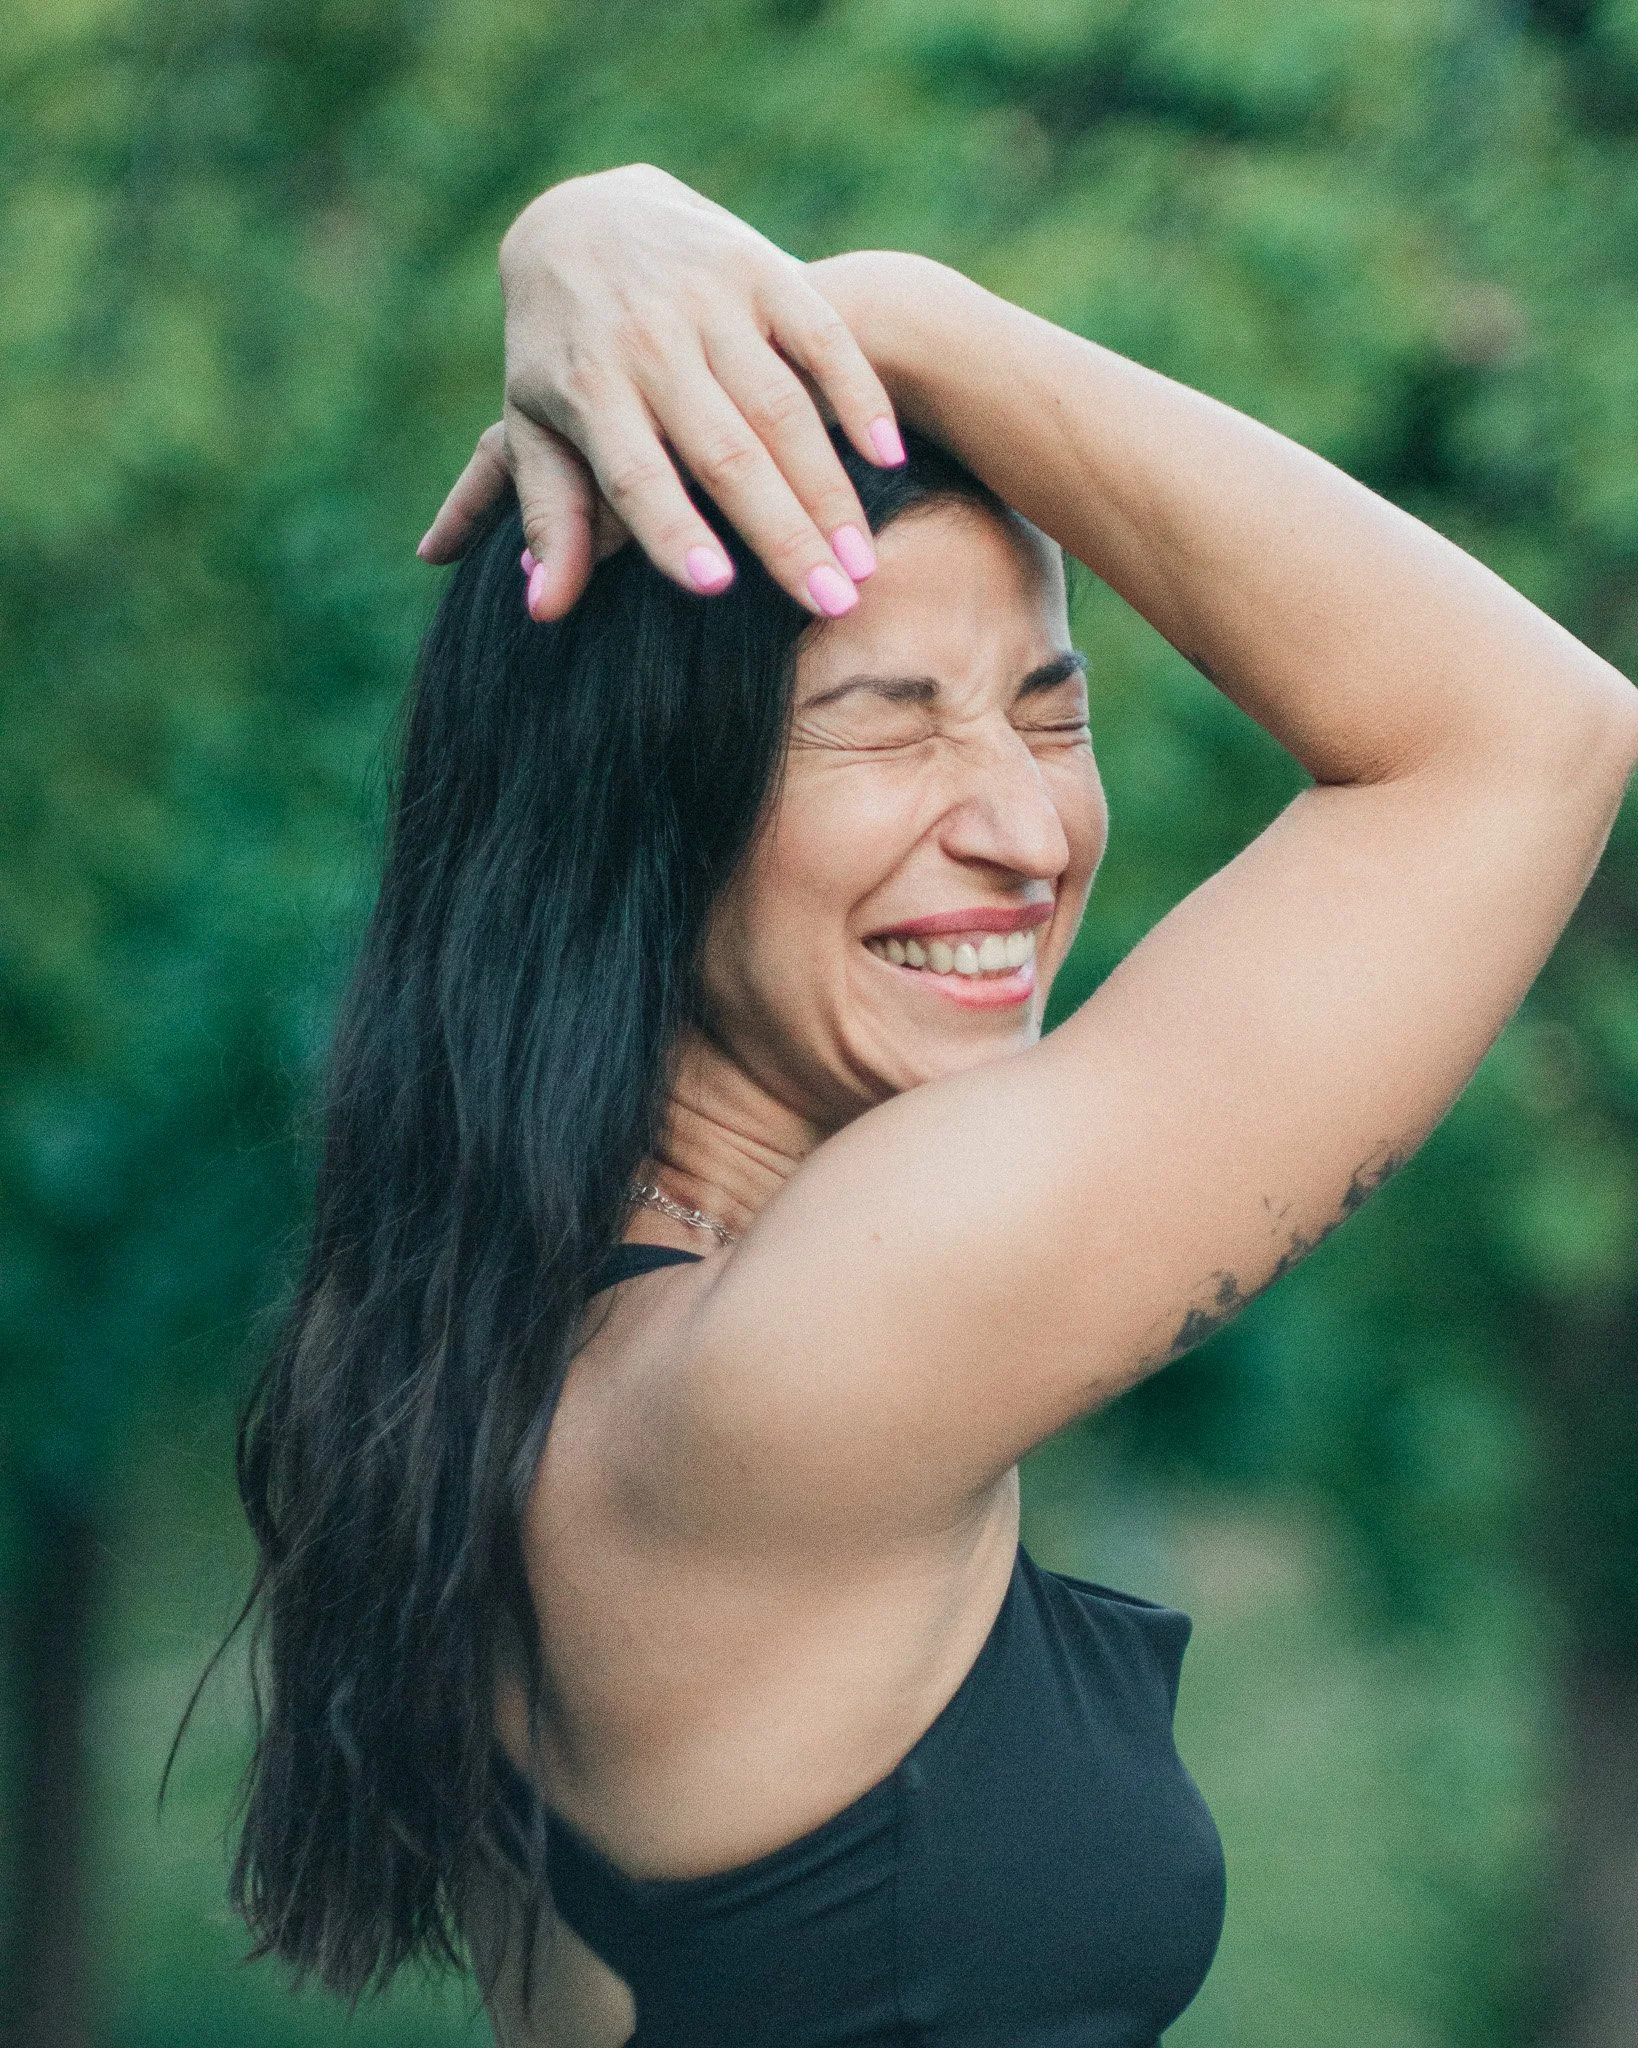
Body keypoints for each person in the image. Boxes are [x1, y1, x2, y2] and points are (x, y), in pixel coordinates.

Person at [226, 165, 1638, 2046]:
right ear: (634, 802)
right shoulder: (811, 1350)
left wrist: (604, 236)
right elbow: (1517, 737)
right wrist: (897, 313)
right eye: (884, 721)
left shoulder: (489, 1339)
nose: (1023, 826)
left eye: (1052, 718)